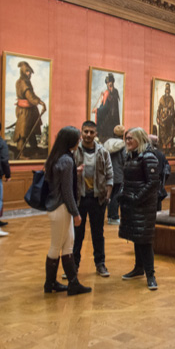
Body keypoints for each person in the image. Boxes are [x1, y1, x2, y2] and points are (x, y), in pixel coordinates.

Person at [43, 126, 91, 296]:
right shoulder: (67, 160)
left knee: (68, 245)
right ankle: (50, 284)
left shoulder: (58, 157)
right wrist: (76, 213)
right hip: (62, 208)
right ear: (70, 140)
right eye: (77, 138)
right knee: (56, 247)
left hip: (58, 208)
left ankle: (72, 283)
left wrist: (74, 172)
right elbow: (67, 192)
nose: (79, 140)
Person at [119, 128, 160, 290]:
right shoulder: (130, 156)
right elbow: (127, 179)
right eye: (126, 138)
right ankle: (138, 268)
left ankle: (150, 275)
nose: (127, 141)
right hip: (132, 203)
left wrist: (137, 198)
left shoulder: (148, 156)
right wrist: (123, 194)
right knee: (137, 236)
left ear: (140, 139)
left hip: (144, 205)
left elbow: (152, 183)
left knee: (145, 239)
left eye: (131, 138)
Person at [72, 121, 113, 278]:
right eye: (85, 132)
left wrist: (107, 197)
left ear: (96, 134)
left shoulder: (103, 152)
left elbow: (110, 175)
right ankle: (74, 266)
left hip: (98, 200)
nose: (88, 135)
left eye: (91, 132)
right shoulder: (74, 151)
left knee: (98, 234)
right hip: (79, 199)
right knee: (77, 234)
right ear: (81, 133)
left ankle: (100, 264)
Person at [13, 61, 47, 159]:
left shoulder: (24, 81)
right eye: (27, 71)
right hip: (25, 112)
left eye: (30, 72)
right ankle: (21, 154)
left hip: (29, 111)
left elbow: (32, 95)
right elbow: (30, 96)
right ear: (23, 71)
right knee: (22, 133)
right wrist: (41, 103)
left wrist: (39, 102)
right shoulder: (23, 82)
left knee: (31, 131)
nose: (29, 74)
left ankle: (34, 149)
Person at [104, 125, 126, 225]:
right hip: (118, 174)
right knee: (117, 195)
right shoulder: (122, 145)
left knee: (110, 195)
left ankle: (109, 216)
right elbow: (124, 160)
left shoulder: (107, 143)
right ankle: (114, 216)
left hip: (107, 173)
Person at [94, 73, 121, 144]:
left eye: (110, 82)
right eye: (107, 83)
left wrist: (97, 110)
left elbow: (107, 106)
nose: (108, 84)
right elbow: (104, 104)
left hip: (112, 118)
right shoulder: (108, 92)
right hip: (108, 117)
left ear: (112, 82)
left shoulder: (114, 91)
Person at [149, 135, 170, 211]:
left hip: (150, 183)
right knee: (158, 206)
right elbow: (167, 169)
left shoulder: (148, 153)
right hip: (159, 182)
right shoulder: (161, 154)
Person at [156, 83, 175, 157]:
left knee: (169, 133)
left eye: (168, 89)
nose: (167, 91)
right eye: (166, 89)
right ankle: (163, 149)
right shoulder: (162, 98)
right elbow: (159, 109)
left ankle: (169, 149)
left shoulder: (171, 99)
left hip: (169, 120)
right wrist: (158, 117)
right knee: (163, 134)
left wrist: (170, 114)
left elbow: (173, 110)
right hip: (162, 119)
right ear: (165, 90)